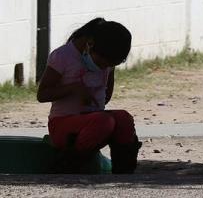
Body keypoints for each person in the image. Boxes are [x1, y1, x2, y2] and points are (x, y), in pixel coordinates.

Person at [37, 17, 142, 174]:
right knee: (104, 121)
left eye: (110, 65)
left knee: (124, 119)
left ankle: (123, 171)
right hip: (64, 125)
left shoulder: (107, 64)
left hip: (96, 123)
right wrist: (74, 89)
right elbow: (42, 94)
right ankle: (66, 165)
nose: (103, 68)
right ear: (90, 44)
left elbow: (106, 97)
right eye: (102, 63)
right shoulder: (63, 56)